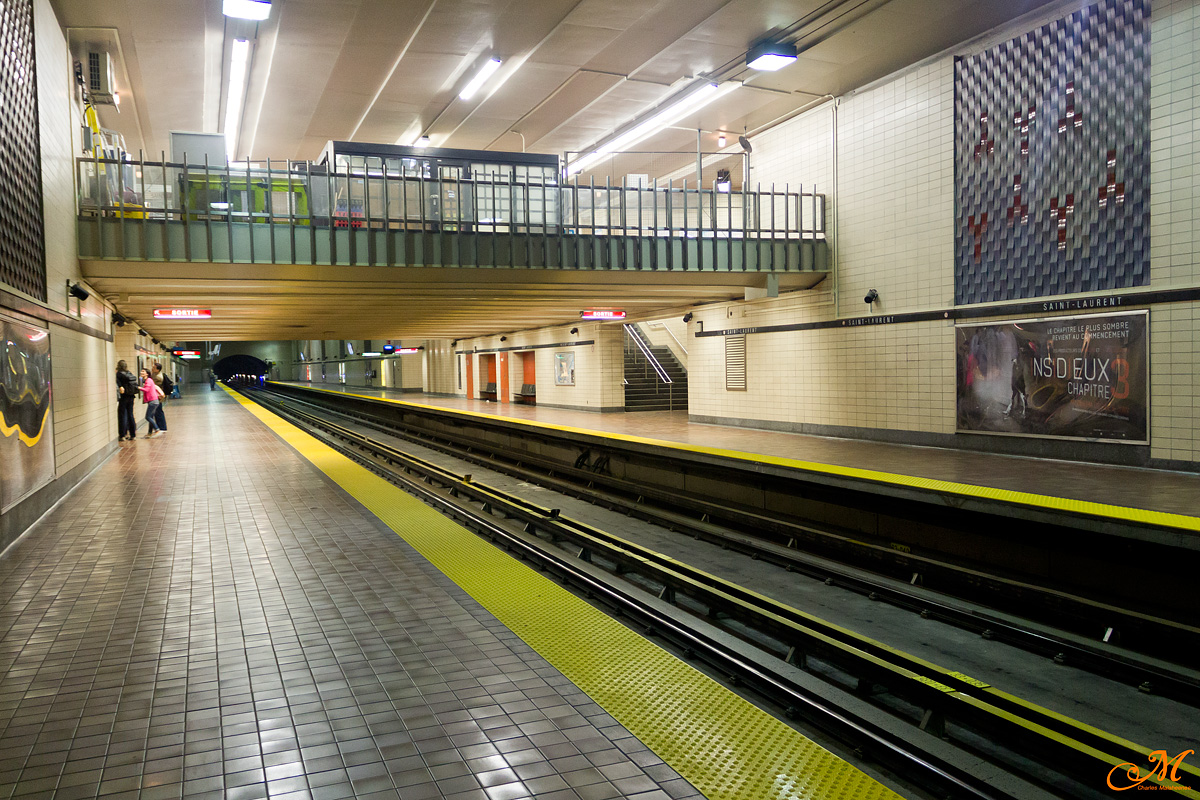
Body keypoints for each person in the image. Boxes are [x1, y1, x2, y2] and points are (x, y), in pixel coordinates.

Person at [114, 360, 138, 441]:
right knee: (130, 415)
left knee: (122, 415)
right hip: (131, 396)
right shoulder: (129, 373)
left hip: (124, 397)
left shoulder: (119, 374)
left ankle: (122, 435)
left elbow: (119, 385)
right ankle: (133, 434)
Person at [139, 369, 164, 437]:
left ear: (147, 373)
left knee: (148, 417)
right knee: (151, 417)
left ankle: (157, 429)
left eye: (143, 371)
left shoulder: (148, 380)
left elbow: (146, 390)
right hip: (153, 401)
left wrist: (139, 388)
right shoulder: (148, 380)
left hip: (153, 401)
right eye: (141, 371)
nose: (141, 372)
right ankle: (150, 433)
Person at [150, 362, 170, 434]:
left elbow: (152, 385)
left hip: (158, 397)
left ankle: (162, 427)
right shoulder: (156, 374)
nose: (152, 368)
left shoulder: (157, 377)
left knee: (158, 412)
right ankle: (160, 427)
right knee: (157, 412)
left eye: (154, 368)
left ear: (157, 370)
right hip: (157, 397)